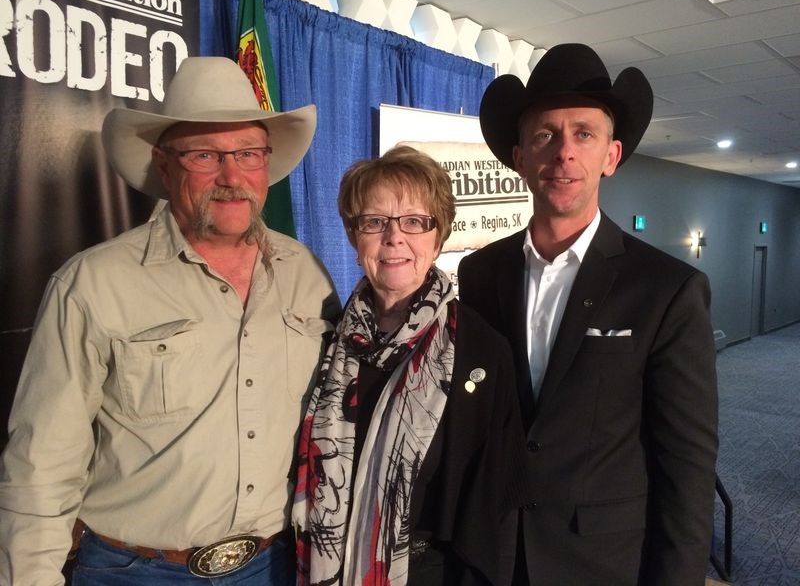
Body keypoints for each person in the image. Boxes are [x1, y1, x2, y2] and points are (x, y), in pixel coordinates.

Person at [0, 56, 341, 585]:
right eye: (205, 155)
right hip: (136, 571)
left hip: (275, 565)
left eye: (247, 153)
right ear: (165, 166)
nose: (232, 177)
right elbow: (41, 464)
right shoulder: (91, 284)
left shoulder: (307, 274)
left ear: (265, 163)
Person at [457, 43, 719, 585]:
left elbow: (687, 469)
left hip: (602, 563)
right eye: (545, 135)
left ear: (611, 155)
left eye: (584, 133)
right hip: (492, 557)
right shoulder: (479, 274)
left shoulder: (668, 289)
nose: (564, 153)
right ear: (520, 156)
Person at [292, 145, 528, 585]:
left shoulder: (481, 351)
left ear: (438, 238)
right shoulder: (326, 340)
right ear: (353, 234)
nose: (394, 237)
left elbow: (493, 505)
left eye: (415, 222)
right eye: (375, 221)